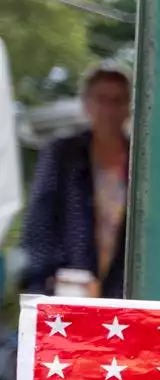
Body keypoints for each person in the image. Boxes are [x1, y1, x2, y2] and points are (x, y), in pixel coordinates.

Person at [20, 63, 132, 299]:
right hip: (68, 285)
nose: (109, 109)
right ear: (87, 104)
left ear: (129, 106)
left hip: (122, 290)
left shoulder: (142, 159)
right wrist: (48, 275)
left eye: (117, 100)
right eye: (101, 99)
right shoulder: (63, 153)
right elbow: (39, 220)